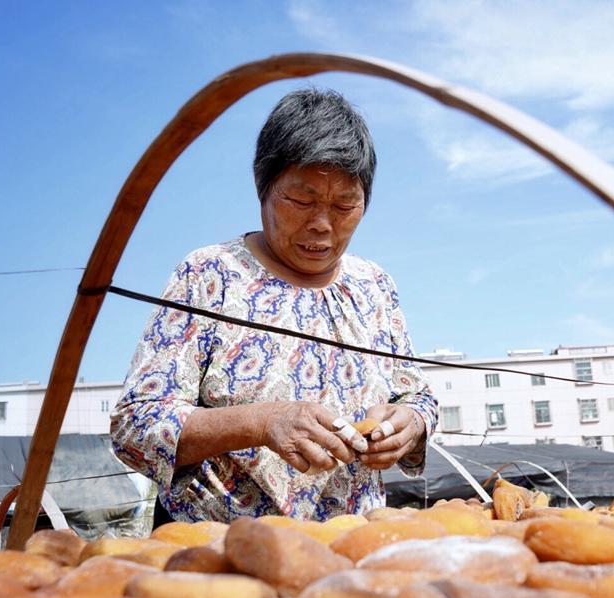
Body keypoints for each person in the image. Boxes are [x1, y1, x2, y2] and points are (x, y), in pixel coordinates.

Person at [111, 88, 437, 523]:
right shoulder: (211, 275)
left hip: (350, 558)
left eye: (345, 205)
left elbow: (415, 393)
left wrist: (410, 423)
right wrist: (262, 422)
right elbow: (137, 424)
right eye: (301, 201)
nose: (322, 224)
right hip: (223, 560)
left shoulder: (374, 287)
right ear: (262, 187)